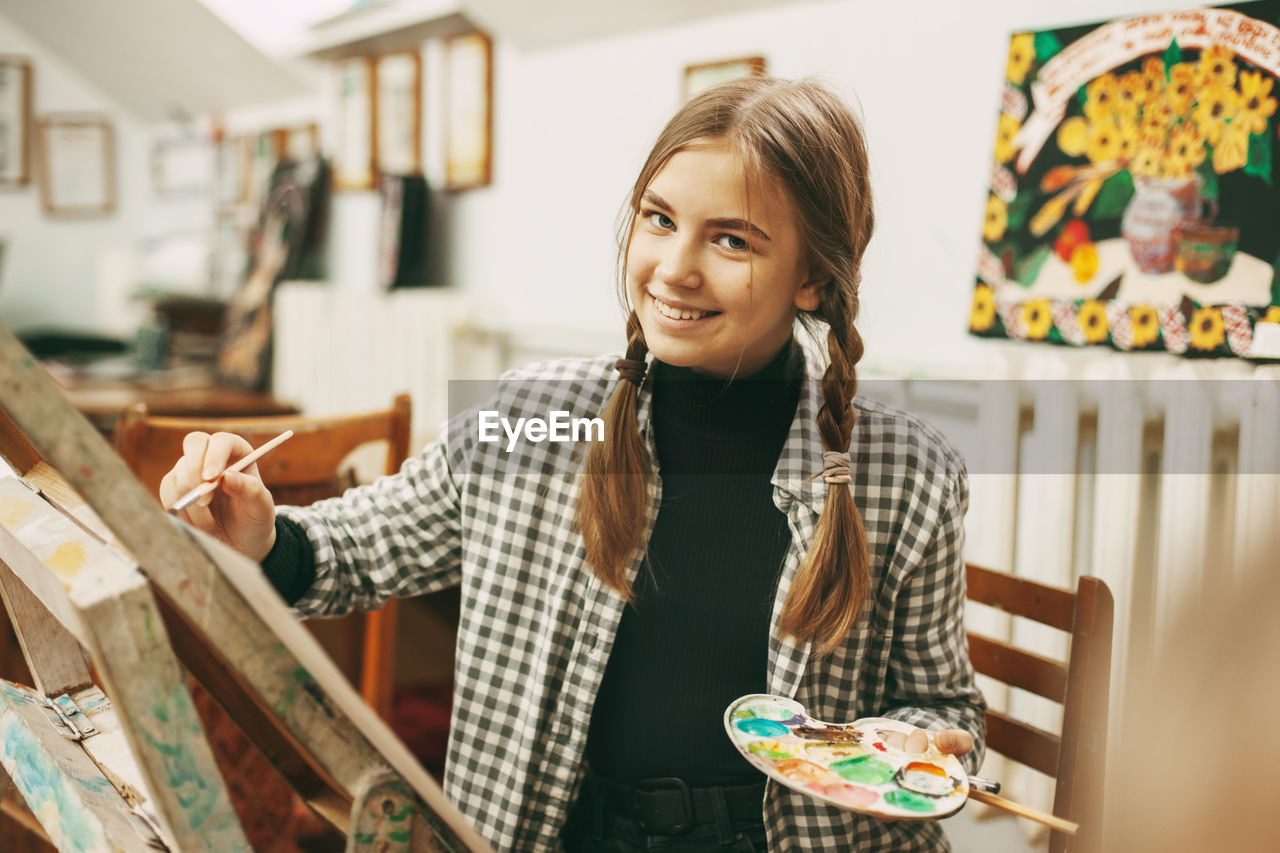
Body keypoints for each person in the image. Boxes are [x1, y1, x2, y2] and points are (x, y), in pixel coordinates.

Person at [160, 76, 986, 852]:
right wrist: (262, 534)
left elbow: (946, 705)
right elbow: (354, 550)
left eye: (730, 239)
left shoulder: (905, 472)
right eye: (659, 219)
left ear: (811, 278)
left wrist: (928, 739)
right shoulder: (536, 419)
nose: (674, 267)